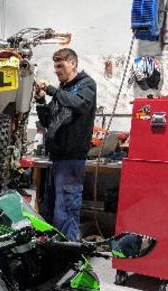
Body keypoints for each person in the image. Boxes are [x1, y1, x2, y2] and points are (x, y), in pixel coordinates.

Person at [35, 48, 96, 241]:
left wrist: (51, 90)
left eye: (60, 65)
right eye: (55, 66)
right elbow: (48, 121)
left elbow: (79, 104)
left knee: (66, 209)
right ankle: (53, 251)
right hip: (56, 159)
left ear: (73, 63)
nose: (56, 70)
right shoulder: (62, 89)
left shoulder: (86, 84)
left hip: (72, 159)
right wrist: (41, 100)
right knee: (50, 209)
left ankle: (69, 253)